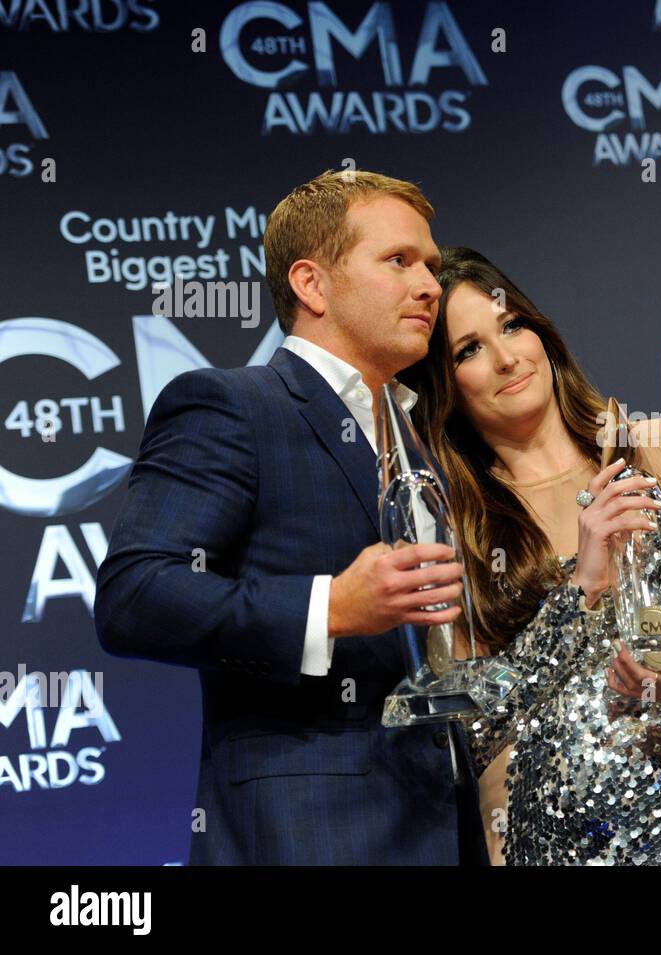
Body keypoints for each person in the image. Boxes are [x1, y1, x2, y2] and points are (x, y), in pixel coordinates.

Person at [94, 170, 487, 865]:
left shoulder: (421, 430)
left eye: (430, 263)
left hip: (448, 829)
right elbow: (135, 595)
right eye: (399, 261)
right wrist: (330, 605)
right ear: (312, 284)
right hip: (310, 837)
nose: (431, 285)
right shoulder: (232, 404)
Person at [403, 247, 661, 865]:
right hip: (547, 844)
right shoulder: (452, 524)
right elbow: (466, 727)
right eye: (468, 350)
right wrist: (579, 591)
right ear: (444, 385)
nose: (505, 357)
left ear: (539, 329)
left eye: (511, 324)